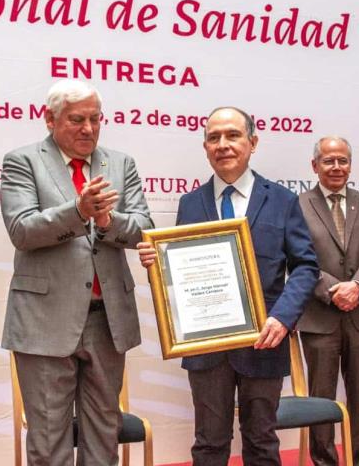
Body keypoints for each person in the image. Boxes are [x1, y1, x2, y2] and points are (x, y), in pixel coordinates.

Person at [138, 107, 319, 465]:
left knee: (262, 443)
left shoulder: (283, 200)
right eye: (213, 137)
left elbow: (306, 267)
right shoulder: (191, 203)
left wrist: (282, 319)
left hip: (265, 340)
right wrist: (156, 266)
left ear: (252, 142)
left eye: (233, 135)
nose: (223, 145)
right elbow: (181, 277)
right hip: (206, 348)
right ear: (205, 147)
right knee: (208, 444)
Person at [0, 79, 152, 465]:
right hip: (44, 322)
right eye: (77, 119)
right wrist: (78, 211)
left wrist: (106, 220)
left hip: (107, 320)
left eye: (95, 119)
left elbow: (142, 228)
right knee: (50, 438)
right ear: (49, 119)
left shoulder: (120, 163)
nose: (88, 128)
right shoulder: (23, 161)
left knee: (104, 432)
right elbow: (22, 230)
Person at [297, 136, 359, 466]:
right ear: (314, 166)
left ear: (350, 164)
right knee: (321, 398)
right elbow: (298, 258)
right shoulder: (298, 205)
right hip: (319, 316)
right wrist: (336, 289)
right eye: (328, 161)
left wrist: (357, 287)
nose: (336, 167)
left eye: (343, 161)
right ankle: (324, 461)